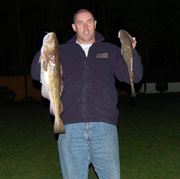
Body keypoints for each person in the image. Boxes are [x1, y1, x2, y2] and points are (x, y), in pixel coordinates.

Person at [31, 9, 143, 179]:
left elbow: (135, 76)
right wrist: (45, 51)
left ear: (95, 24)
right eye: (80, 23)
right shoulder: (61, 51)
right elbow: (34, 73)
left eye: (89, 21)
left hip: (104, 128)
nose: (85, 27)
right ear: (74, 27)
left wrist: (132, 53)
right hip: (69, 129)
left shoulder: (110, 50)